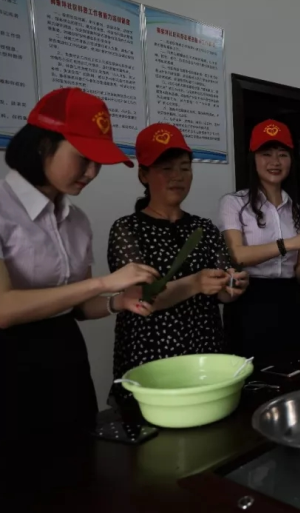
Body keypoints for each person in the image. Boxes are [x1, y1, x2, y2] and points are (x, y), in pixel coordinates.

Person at [0, 88, 160, 484]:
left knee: (78, 468)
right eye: (82, 158)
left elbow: (80, 306)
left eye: (97, 163)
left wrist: (117, 301)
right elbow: (4, 309)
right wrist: (105, 282)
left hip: (65, 356)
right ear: (43, 146)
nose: (90, 173)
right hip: (9, 363)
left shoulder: (77, 220)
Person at [107, 123, 248, 398]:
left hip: (205, 353)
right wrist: (195, 283)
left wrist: (233, 284)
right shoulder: (127, 229)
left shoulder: (204, 228)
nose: (177, 177)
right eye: (166, 168)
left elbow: (223, 294)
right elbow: (141, 299)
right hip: (150, 356)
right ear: (143, 174)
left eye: (185, 168)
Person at [219, 120, 300, 361]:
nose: (275, 162)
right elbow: (238, 256)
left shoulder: (299, 211)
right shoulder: (234, 203)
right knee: (250, 372)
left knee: (294, 368)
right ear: (253, 159)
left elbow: (299, 273)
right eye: (266, 154)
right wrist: (289, 243)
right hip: (248, 300)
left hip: (289, 300)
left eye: (282, 154)